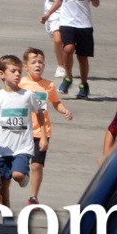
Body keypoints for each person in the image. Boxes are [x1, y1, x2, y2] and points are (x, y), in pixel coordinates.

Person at [0, 55, 47, 209]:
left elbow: (40, 113)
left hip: (23, 147)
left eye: (19, 71)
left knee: (17, 175)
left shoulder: (28, 96)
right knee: (3, 184)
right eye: (13, 71)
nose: (17, 74)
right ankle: (7, 212)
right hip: (3, 148)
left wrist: (43, 136)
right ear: (2, 74)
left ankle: (24, 175)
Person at [40, 0, 99, 99]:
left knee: (82, 57)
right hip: (66, 22)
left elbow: (96, 3)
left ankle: (84, 84)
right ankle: (68, 77)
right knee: (68, 48)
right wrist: (47, 14)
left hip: (84, 24)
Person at [18, 47, 73, 205]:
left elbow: (55, 102)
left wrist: (64, 110)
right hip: (21, 130)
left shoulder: (49, 85)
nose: (38, 65)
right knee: (20, 168)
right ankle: (22, 173)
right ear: (25, 66)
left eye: (41, 62)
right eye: (33, 62)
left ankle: (33, 196)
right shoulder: (20, 83)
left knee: (37, 165)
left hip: (41, 131)